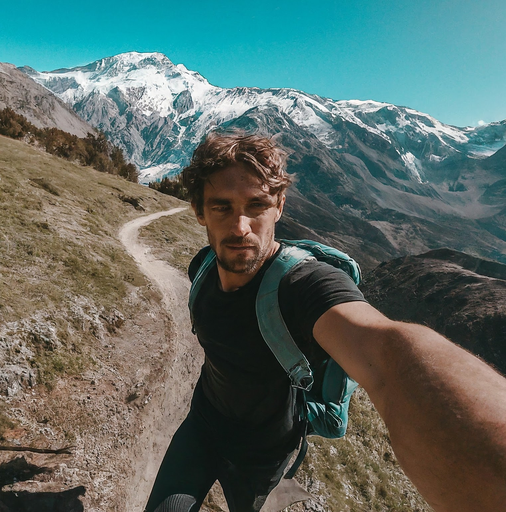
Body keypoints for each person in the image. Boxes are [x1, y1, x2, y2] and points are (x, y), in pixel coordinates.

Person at [145, 133, 506, 512]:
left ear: (279, 206)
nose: (240, 227)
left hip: (265, 455)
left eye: (257, 206)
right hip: (203, 424)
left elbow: (387, 352)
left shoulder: (302, 286)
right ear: (199, 211)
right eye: (222, 207)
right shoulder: (202, 267)